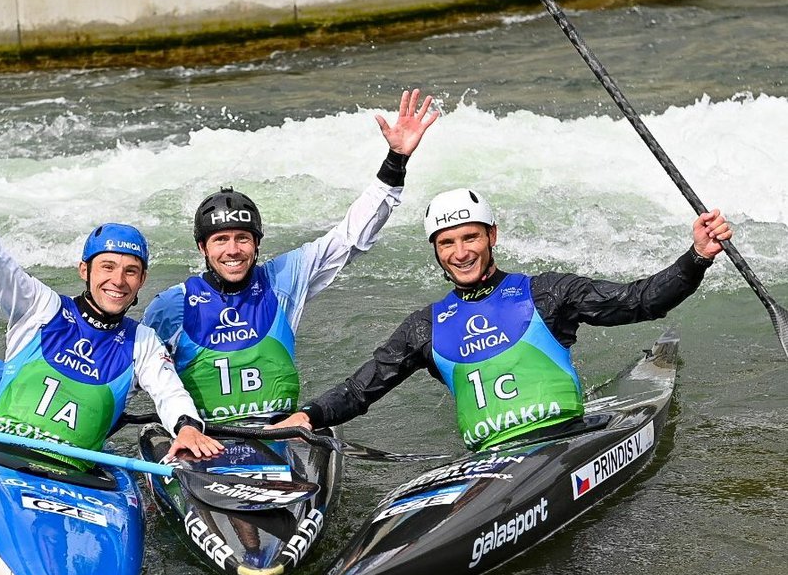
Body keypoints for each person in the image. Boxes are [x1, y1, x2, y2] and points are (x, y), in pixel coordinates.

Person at [273, 187, 733, 449]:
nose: (460, 253)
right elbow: (361, 388)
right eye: (446, 243)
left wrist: (696, 256)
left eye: (470, 238)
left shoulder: (547, 293)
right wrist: (308, 416)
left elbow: (640, 302)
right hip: (490, 461)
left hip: (565, 445)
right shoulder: (424, 326)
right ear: (434, 250)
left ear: (491, 235)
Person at [143, 88, 440, 423]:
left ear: (257, 244)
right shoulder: (170, 306)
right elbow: (140, 374)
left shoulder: (283, 279)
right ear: (202, 248)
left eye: (243, 238)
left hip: (279, 434)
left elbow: (350, 238)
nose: (232, 250)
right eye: (220, 240)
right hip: (205, 442)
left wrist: (395, 160)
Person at [0, 122, 223, 463]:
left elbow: (169, 391)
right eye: (107, 267)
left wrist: (187, 426)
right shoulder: (39, 308)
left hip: (79, 478)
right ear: (84, 271)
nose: (118, 280)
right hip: (2, 458)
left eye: (130, 271)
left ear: (142, 280)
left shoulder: (143, 343)